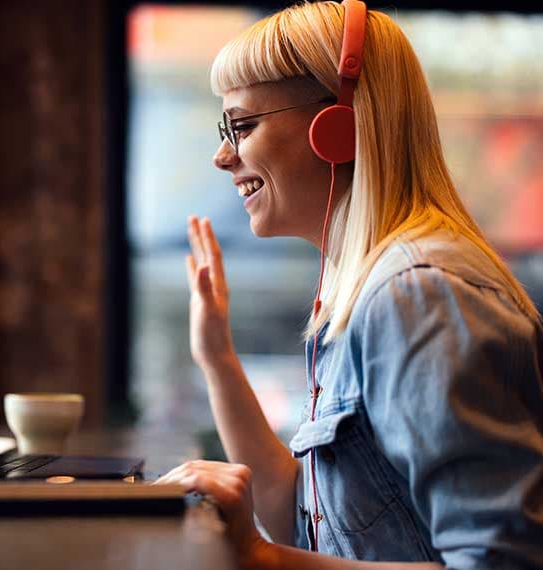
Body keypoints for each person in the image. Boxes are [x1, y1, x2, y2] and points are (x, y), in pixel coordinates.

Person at [155, 2, 543, 568]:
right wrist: (216, 357)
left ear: (338, 128)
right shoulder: (367, 288)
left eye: (241, 126)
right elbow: (303, 520)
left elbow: (499, 564)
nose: (222, 156)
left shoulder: (420, 298)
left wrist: (264, 560)